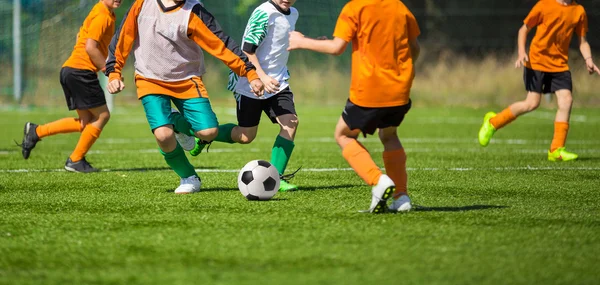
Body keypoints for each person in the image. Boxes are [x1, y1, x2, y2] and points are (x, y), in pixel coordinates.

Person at [105, 0, 264, 194]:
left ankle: (176, 123)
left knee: (208, 133)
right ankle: (188, 176)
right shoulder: (142, 3)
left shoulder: (194, 10)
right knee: (163, 135)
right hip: (149, 78)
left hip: (187, 80)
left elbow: (220, 44)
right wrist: (114, 72)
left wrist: (249, 72)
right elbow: (123, 37)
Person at [288, 0, 420, 213]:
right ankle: (401, 197)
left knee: (344, 135)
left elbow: (336, 47)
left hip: (369, 89)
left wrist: (300, 41)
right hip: (400, 89)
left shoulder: (355, 8)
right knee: (389, 136)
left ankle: (378, 180)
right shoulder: (400, 7)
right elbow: (414, 47)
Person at [192, 0, 300, 192]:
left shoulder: (293, 13)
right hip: (249, 82)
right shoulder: (264, 13)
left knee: (291, 123)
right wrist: (261, 77)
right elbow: (247, 50)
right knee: (245, 136)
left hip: (278, 82)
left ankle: (277, 177)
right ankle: (205, 135)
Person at [479, 0, 599, 161]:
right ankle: (493, 122)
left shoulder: (579, 11)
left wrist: (588, 59)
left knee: (566, 100)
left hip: (560, 65)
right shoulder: (544, 5)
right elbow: (524, 30)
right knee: (532, 103)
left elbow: (583, 42)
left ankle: (556, 150)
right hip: (536, 62)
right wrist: (522, 52)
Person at [18, 0, 122, 173]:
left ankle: (36, 132)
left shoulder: (100, 11)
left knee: (85, 122)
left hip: (71, 69)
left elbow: (79, 37)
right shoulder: (103, 16)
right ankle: (75, 160)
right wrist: (108, 70)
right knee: (103, 115)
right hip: (80, 71)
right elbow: (90, 47)